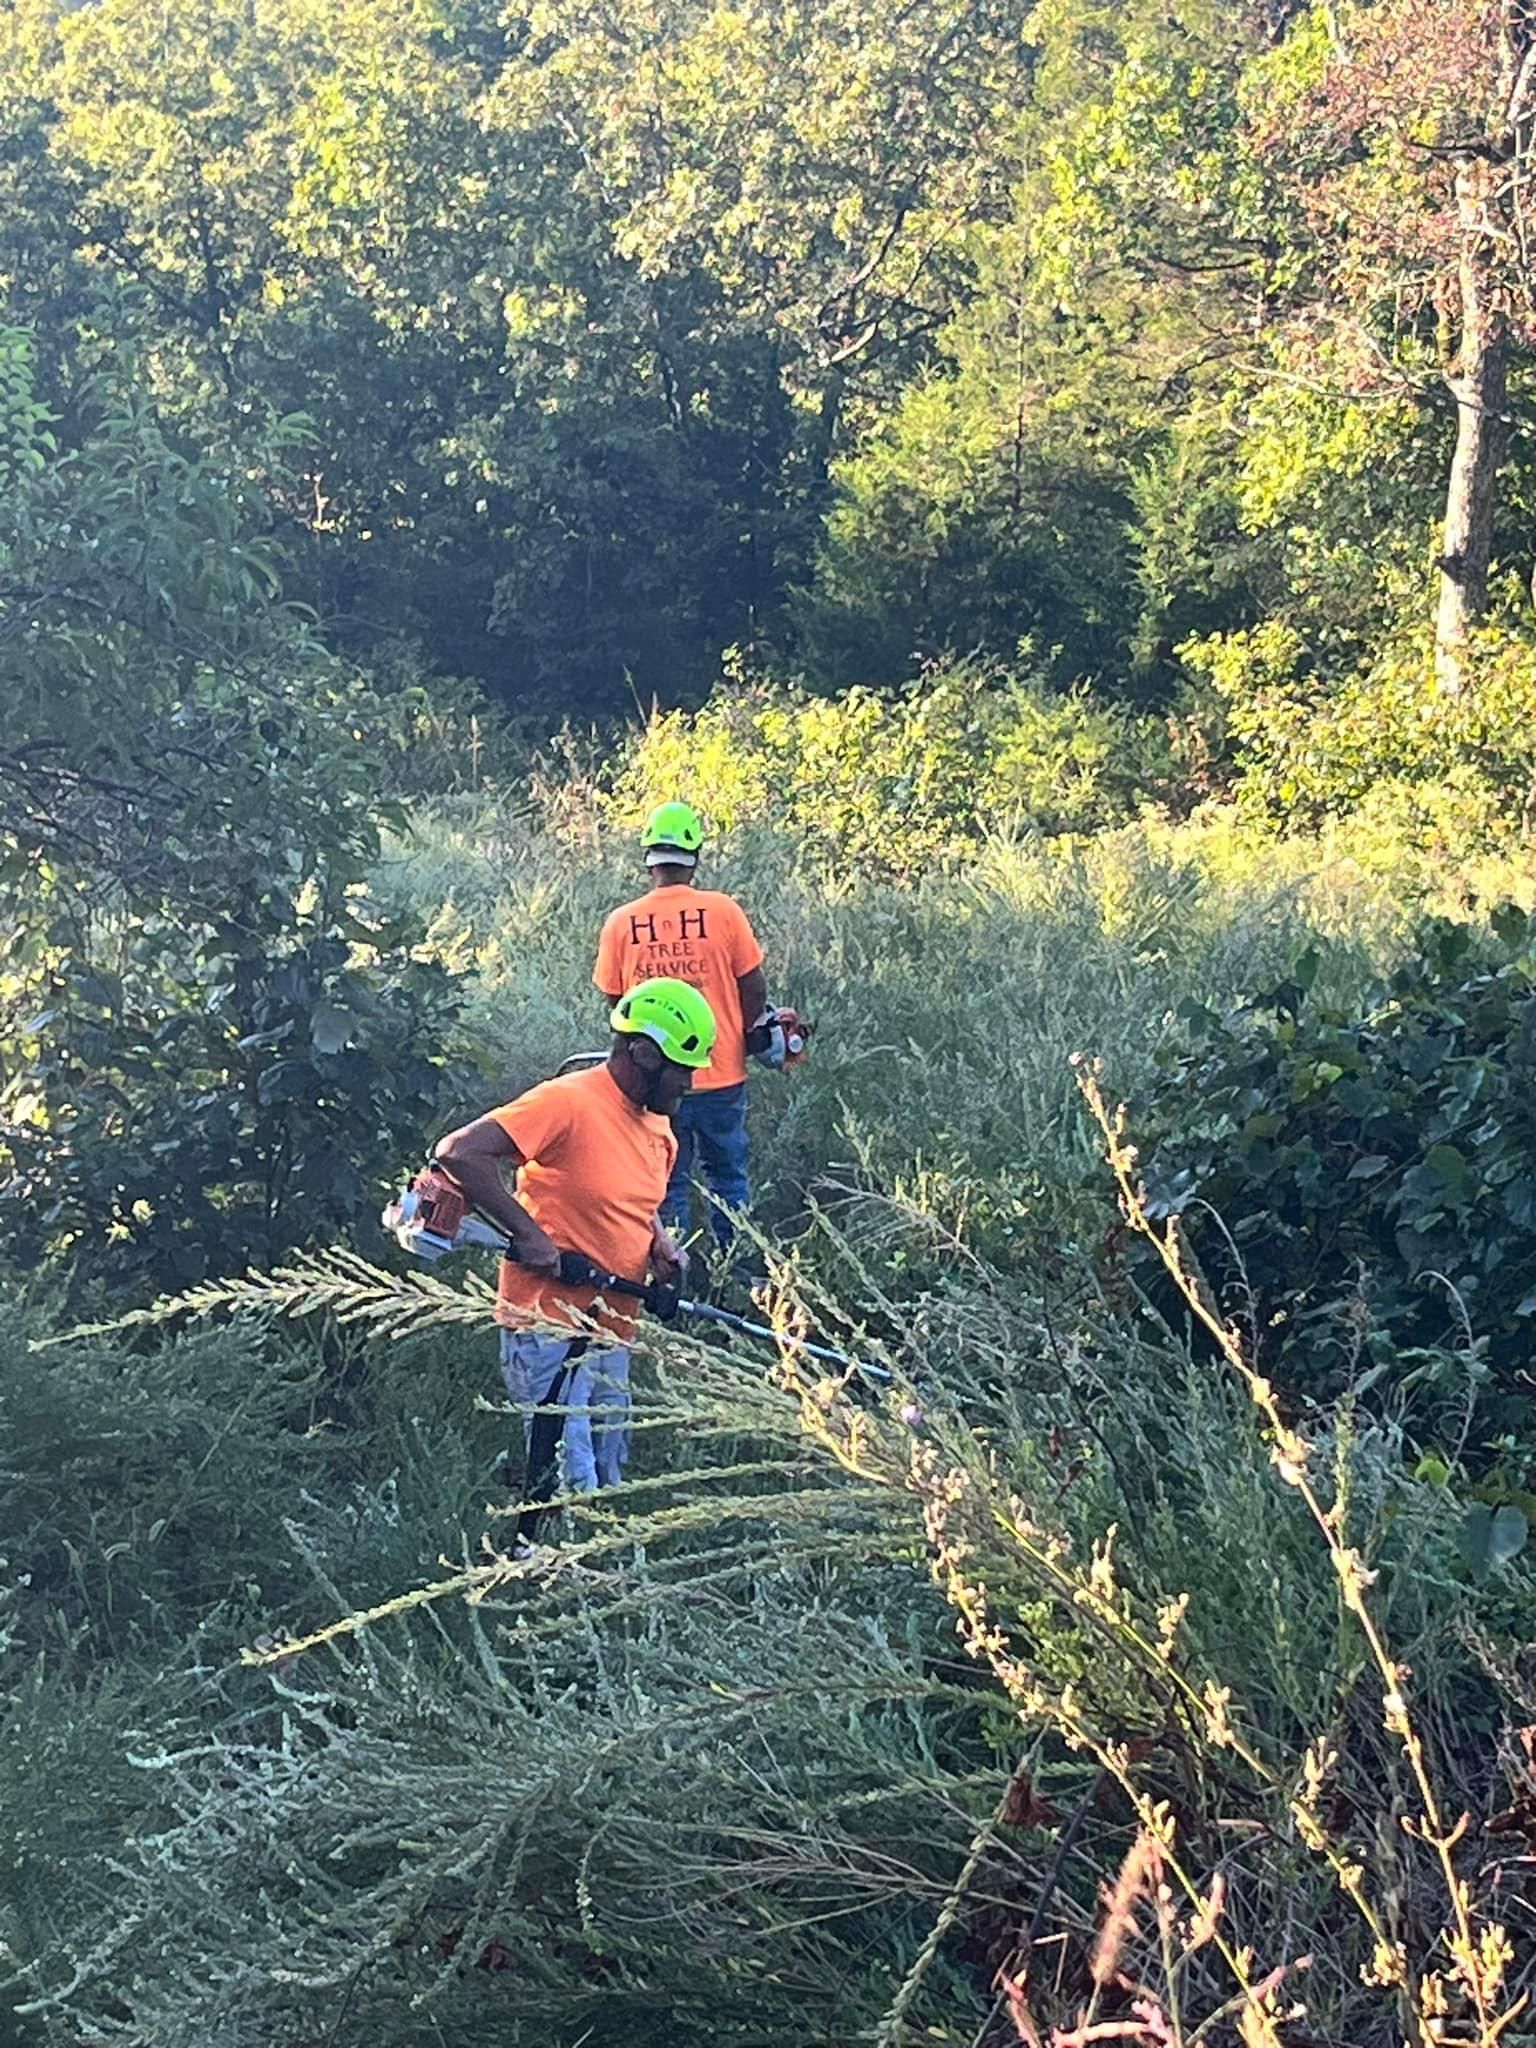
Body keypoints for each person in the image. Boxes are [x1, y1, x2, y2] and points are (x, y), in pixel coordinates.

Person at [434, 977, 717, 1551]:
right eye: (680, 1069)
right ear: (640, 1052)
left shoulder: (655, 1119)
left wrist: (657, 1243)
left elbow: (637, 1196)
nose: (688, 1084)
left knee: (609, 1470)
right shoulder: (568, 1101)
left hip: (612, 1325)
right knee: (572, 1482)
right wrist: (530, 1236)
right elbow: (460, 1152)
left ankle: (593, 1583)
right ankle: (561, 1598)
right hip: (548, 1324)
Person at [594, 802, 768, 1248]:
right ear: (696, 855)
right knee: (728, 1180)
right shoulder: (723, 911)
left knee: (663, 1189)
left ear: (648, 856)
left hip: (654, 1082)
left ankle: (671, 1280)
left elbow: (620, 1008)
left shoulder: (621, 923)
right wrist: (748, 1036)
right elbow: (754, 987)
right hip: (721, 1075)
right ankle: (746, 1277)